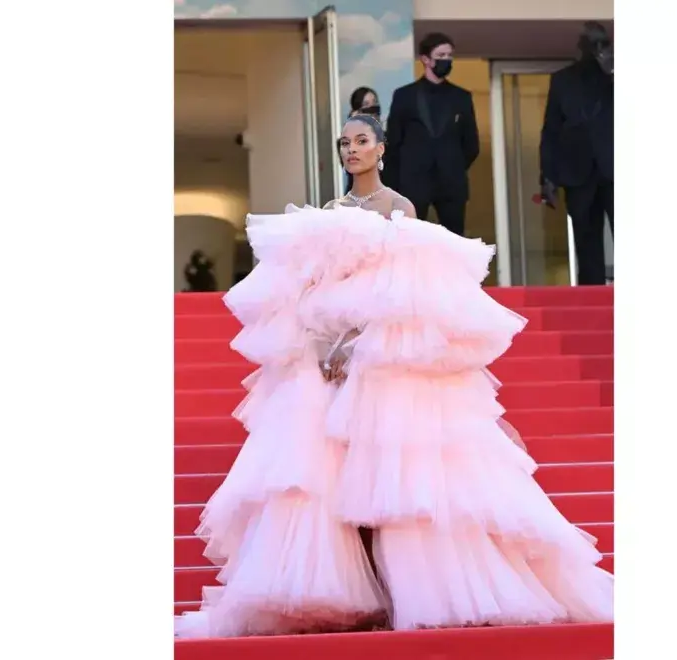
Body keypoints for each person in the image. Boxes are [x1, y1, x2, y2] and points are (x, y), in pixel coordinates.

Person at [173, 114, 613, 638]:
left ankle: (403, 588)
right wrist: (323, 347)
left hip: (383, 360)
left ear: (381, 149)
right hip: (326, 361)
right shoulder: (330, 215)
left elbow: (405, 295)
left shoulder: (398, 209)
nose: (351, 150)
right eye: (344, 143)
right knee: (324, 475)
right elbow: (310, 293)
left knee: (392, 478)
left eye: (361, 141)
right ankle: (344, 592)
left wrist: (360, 344)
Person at [539, 21, 614, 286]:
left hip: (615, 169)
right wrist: (548, 177)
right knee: (586, 240)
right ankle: (592, 295)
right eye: (591, 43)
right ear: (581, 46)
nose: (596, 49)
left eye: (602, 43)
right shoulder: (563, 80)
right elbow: (551, 131)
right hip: (577, 172)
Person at [384, 32, 478, 237]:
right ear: (425, 59)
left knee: (454, 242)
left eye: (449, 55)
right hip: (413, 184)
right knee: (409, 242)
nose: (446, 60)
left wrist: (453, 164)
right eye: (441, 55)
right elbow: (394, 143)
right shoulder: (404, 95)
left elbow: (471, 144)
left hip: (451, 184)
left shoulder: (462, 97)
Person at [344, 86, 384, 195]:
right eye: (366, 105)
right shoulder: (348, 140)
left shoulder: (384, 137)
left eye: (374, 103)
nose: (372, 108)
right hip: (360, 198)